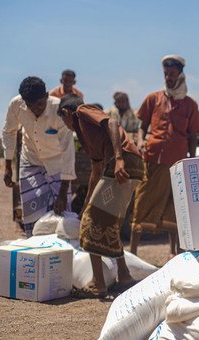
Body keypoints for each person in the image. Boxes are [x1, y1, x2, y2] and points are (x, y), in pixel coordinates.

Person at [57, 94, 143, 298]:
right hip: (129, 164)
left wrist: (119, 159)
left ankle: (98, 283)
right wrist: (87, 202)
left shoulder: (82, 111)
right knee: (107, 222)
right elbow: (96, 171)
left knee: (90, 224)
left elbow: (112, 123)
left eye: (63, 119)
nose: (65, 124)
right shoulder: (86, 138)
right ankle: (124, 275)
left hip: (123, 162)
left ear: (67, 113)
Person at [130, 55, 199, 255]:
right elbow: (142, 126)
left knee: (175, 207)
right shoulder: (153, 98)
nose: (168, 78)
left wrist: (190, 159)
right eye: (166, 74)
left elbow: (193, 134)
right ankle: (133, 252)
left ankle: (176, 254)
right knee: (142, 201)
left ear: (180, 74)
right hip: (152, 159)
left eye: (172, 74)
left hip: (176, 162)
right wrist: (140, 141)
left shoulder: (190, 104)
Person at [2, 76, 76, 237]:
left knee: (62, 213)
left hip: (57, 162)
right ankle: (36, 248)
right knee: (32, 209)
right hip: (30, 160)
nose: (35, 109)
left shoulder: (60, 110)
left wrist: (63, 192)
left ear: (47, 95)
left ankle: (60, 252)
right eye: (30, 106)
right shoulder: (16, 105)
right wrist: (8, 166)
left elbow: (68, 150)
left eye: (39, 104)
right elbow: (9, 132)